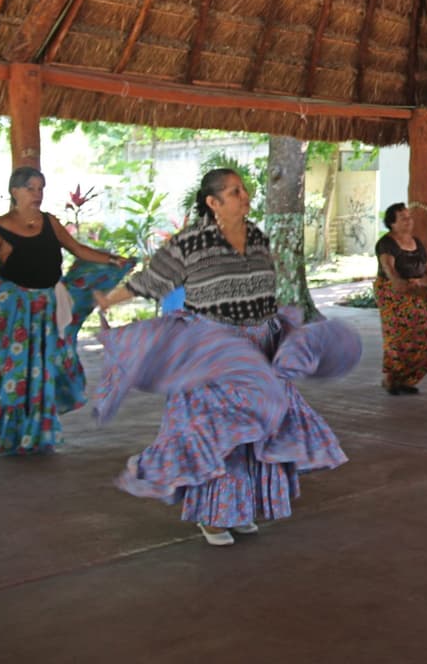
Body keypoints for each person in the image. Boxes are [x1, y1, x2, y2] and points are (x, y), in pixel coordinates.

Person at [93, 169, 360, 546]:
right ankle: (214, 515)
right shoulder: (191, 241)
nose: (245, 196)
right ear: (213, 202)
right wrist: (109, 300)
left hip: (258, 344)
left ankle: (240, 508)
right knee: (218, 432)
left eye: (244, 190)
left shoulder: (256, 235)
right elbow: (152, 281)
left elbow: (266, 290)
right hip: (211, 351)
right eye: (235, 192)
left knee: (255, 432)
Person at [0, 166, 131, 453]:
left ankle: (38, 433)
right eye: (31, 188)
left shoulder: (50, 222)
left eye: (40, 188)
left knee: (43, 369)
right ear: (14, 191)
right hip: (17, 310)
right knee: (17, 372)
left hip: (48, 307)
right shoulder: (1, 227)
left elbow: (78, 250)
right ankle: (9, 434)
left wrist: (110, 259)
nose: (37, 193)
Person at [374, 202, 427, 395]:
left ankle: (407, 378)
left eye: (409, 217)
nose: (408, 221)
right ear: (392, 223)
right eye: (403, 218)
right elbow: (389, 268)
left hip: (414, 290)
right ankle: (391, 378)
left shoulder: (417, 242)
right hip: (392, 291)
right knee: (399, 335)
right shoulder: (386, 243)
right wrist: (397, 282)